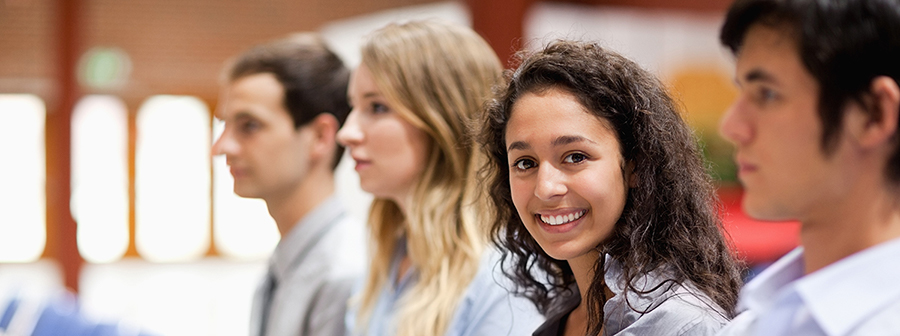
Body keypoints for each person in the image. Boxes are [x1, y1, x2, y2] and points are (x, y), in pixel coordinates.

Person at [478, 40, 743, 336]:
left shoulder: (681, 326)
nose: (546, 188)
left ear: (634, 166)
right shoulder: (560, 320)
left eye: (575, 157)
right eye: (526, 163)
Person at [335, 20, 544, 336]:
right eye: (354, 107)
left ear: (443, 120)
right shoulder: (390, 255)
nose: (346, 133)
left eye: (377, 107)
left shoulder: (505, 278)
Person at [716, 0, 900, 335]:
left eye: (767, 94)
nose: (731, 126)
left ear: (874, 114)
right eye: (742, 92)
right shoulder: (757, 318)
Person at [212, 33, 365, 336]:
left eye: (249, 126)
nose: (222, 146)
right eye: (224, 125)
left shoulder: (344, 275)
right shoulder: (288, 261)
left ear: (321, 137)